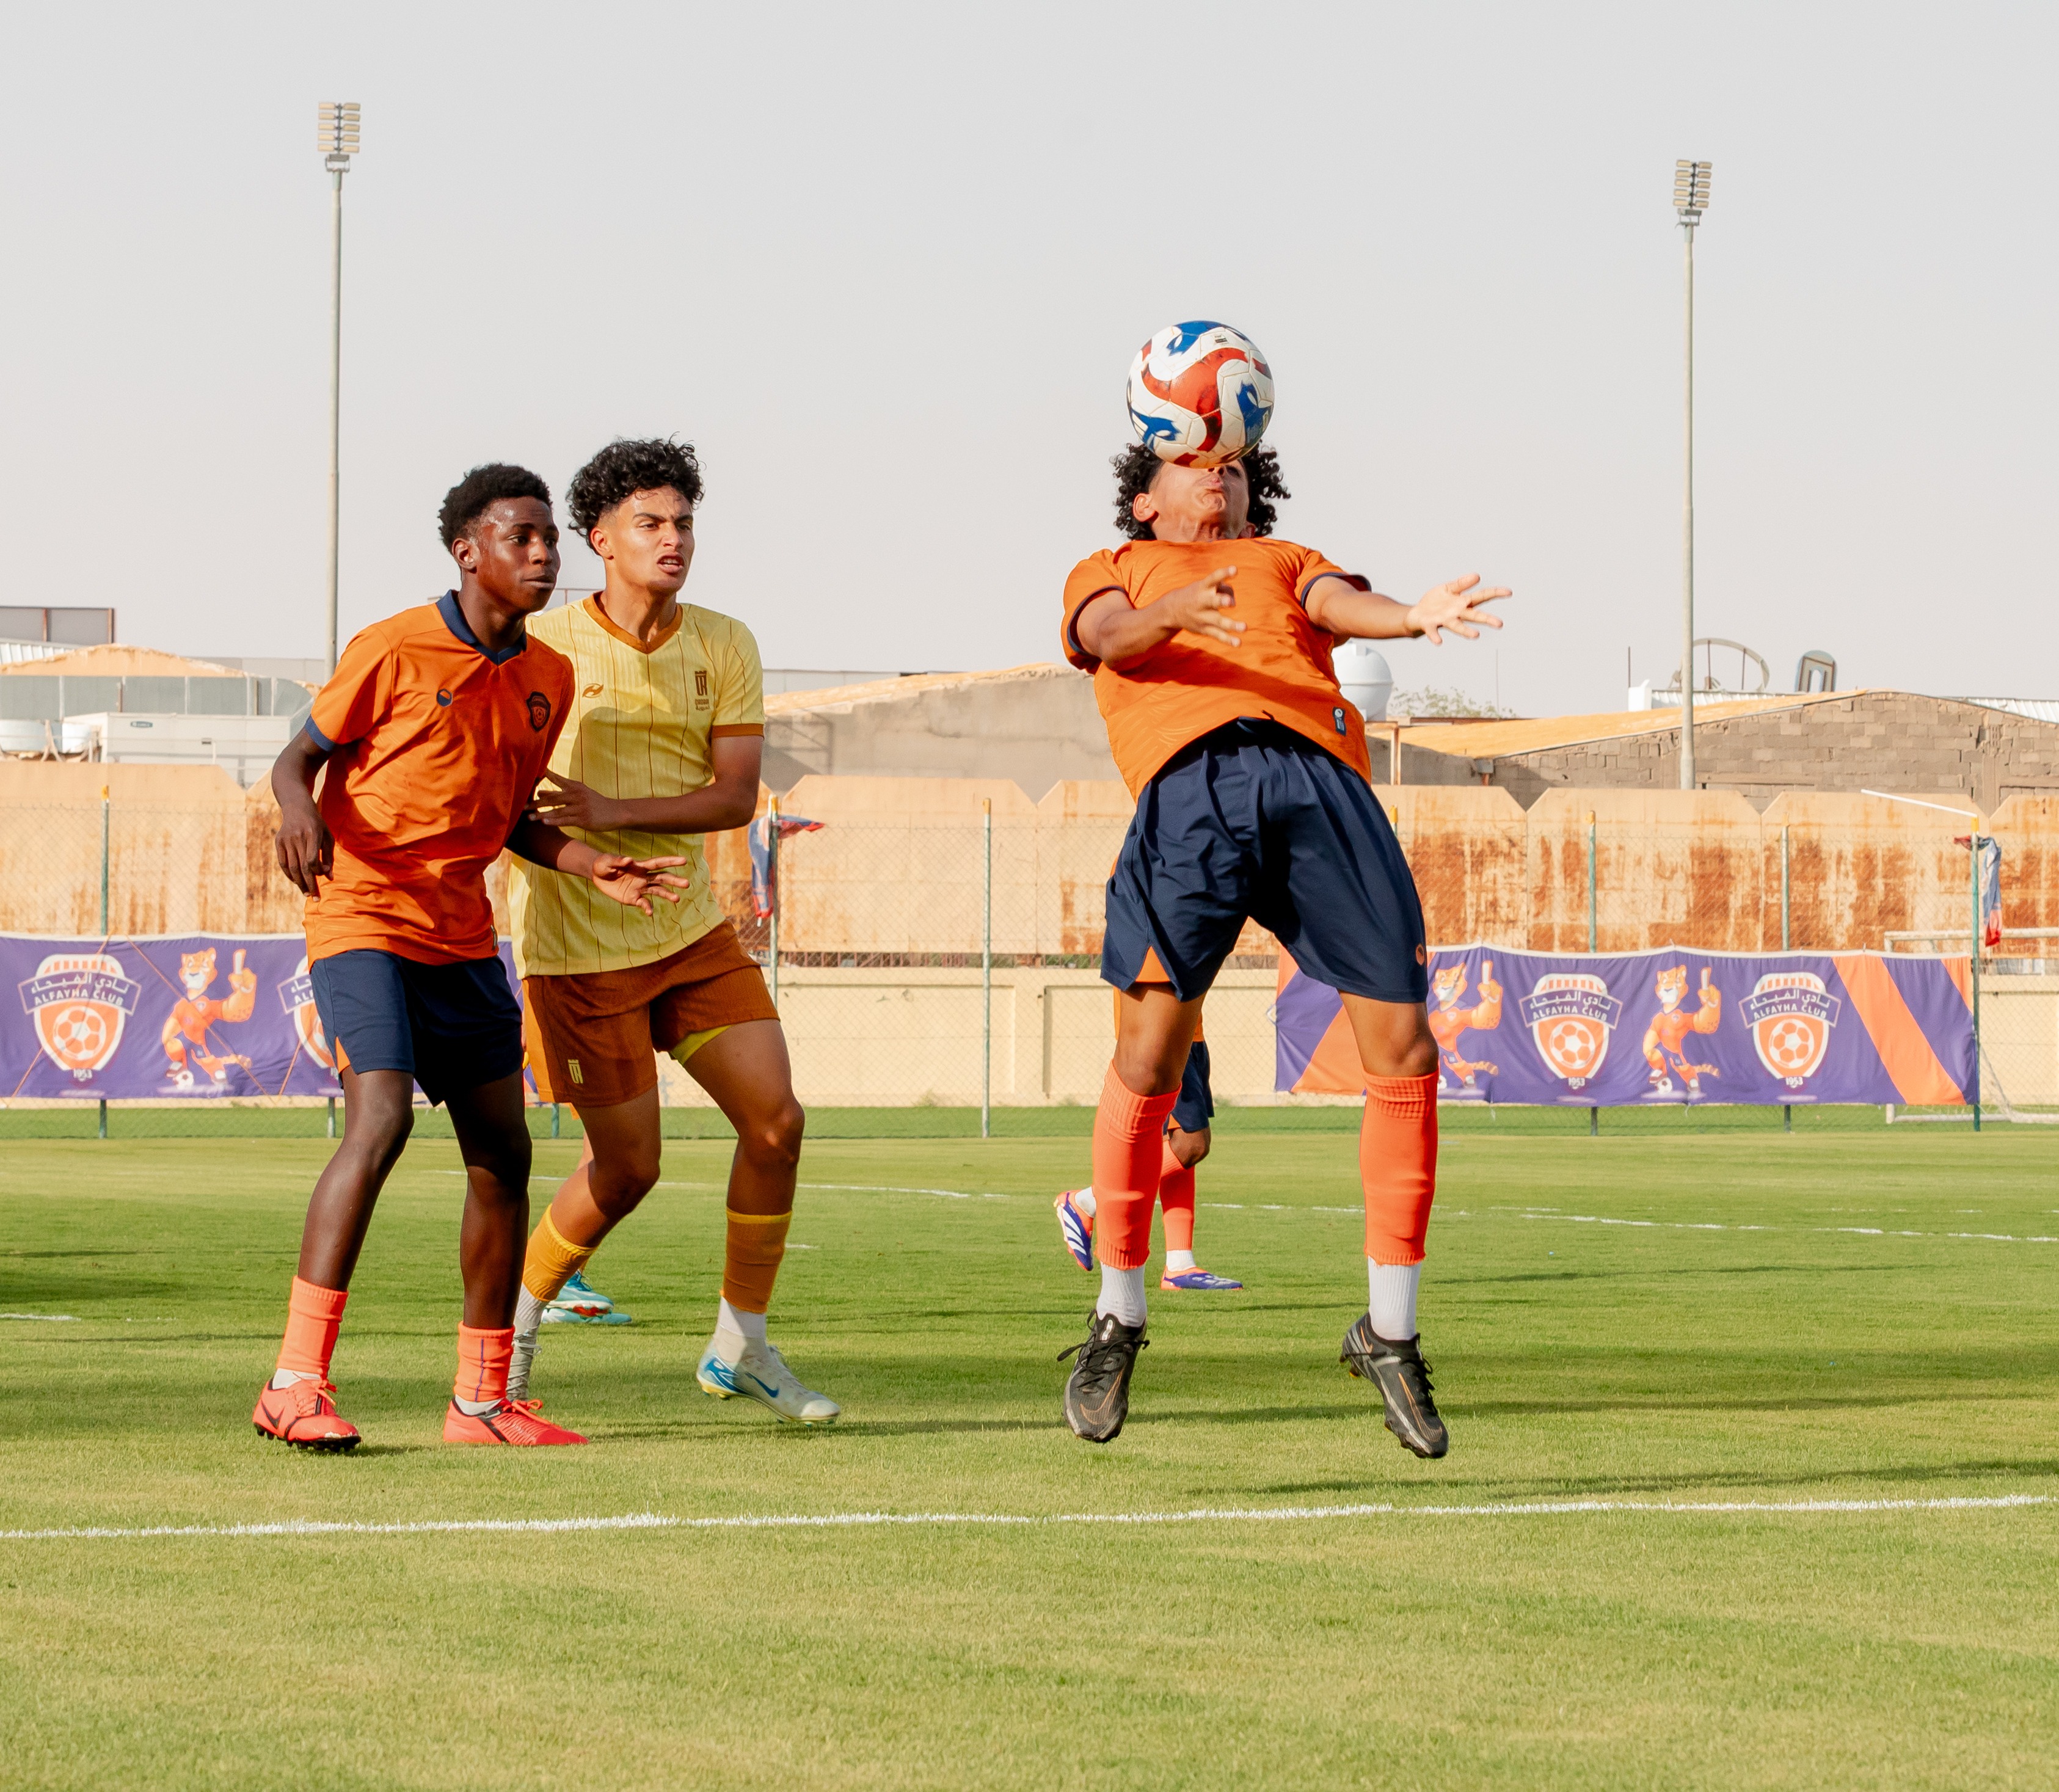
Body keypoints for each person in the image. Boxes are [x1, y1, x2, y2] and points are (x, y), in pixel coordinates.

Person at [1055, 440, 1509, 1451]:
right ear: (1142, 493)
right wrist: (1167, 612)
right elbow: (1112, 635)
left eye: (1233, 466)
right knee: (1148, 1061)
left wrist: (1412, 614)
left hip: (1319, 783)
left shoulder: (1285, 556)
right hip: (1192, 791)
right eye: (1187, 459)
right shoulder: (1111, 569)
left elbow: (1343, 604)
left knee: (1406, 1050)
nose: (1215, 476)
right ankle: (1117, 1314)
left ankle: (1389, 1330)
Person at [253, 464, 690, 1451]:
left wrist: (591, 862)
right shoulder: (395, 644)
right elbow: (297, 758)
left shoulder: (549, 679)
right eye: (519, 537)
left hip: (459, 935)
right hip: (362, 914)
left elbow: (511, 823)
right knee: (381, 1118)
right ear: (468, 550)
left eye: (548, 539)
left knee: (505, 1150)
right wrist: (292, 808)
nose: (542, 555)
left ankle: (482, 1402)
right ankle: (292, 1381)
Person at [503, 437, 836, 1426]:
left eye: (684, 521)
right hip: (580, 944)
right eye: (650, 522)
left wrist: (614, 808)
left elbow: (736, 795)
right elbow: (513, 801)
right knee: (628, 1169)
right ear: (600, 538)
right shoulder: (544, 647)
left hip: (690, 930)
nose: (673, 539)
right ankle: (508, 1343)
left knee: (776, 1121)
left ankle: (743, 1341)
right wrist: (586, 842)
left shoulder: (725, 643)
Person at [1055, 999, 1241, 1292]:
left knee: (1178, 1139)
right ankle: (1087, 1201)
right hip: (1159, 1031)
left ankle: (1180, 1263)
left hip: (1188, 1030)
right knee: (1192, 1144)